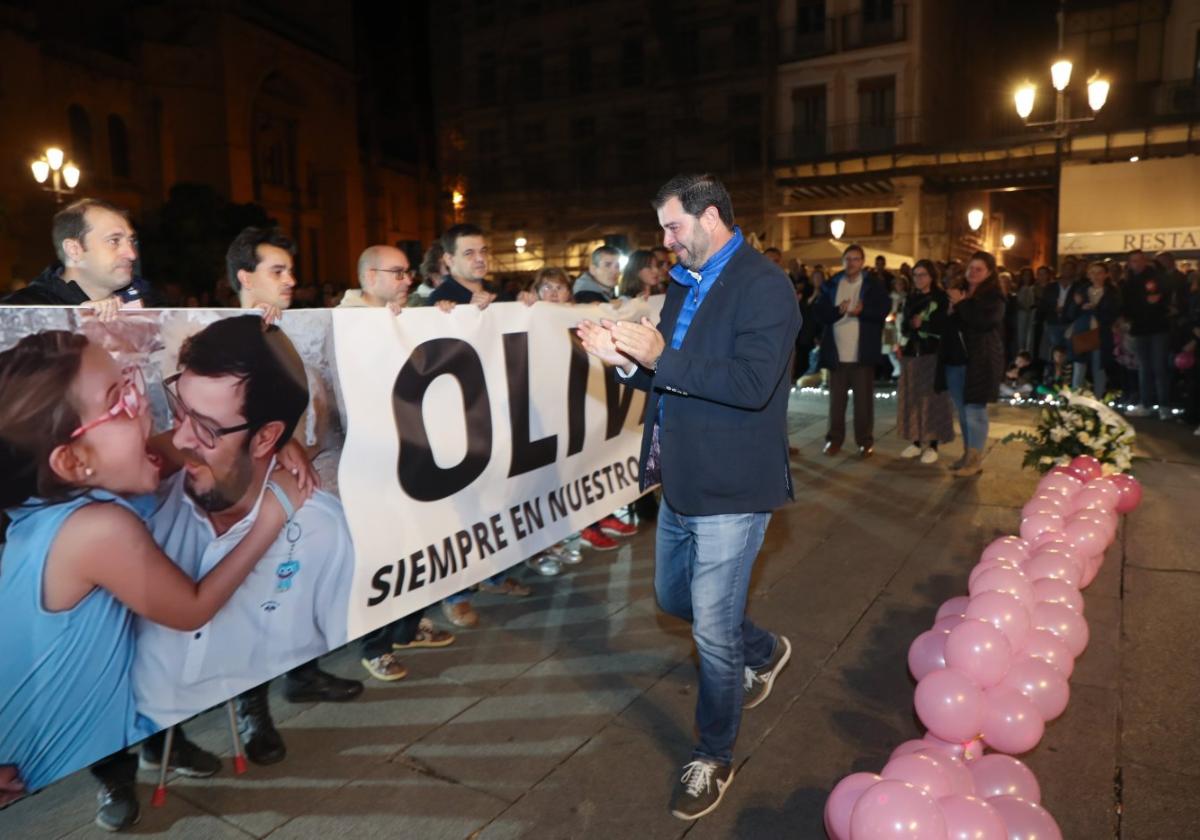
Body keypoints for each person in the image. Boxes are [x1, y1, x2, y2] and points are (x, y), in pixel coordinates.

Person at [0, 331, 304, 825]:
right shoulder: (96, 529)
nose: (145, 410)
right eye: (118, 401)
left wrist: (264, 439)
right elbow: (193, 608)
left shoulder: (57, 497)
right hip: (41, 762)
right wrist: (274, 514)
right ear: (74, 461)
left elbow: (170, 450)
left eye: (131, 384)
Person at [576, 173, 798, 820]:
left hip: (733, 481)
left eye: (674, 227)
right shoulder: (683, 285)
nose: (667, 242)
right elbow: (667, 379)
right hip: (680, 475)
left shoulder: (763, 285)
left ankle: (713, 754)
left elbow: (754, 383)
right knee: (675, 600)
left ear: (710, 217)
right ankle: (766, 650)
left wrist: (659, 357)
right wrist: (622, 361)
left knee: (711, 629)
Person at [223, 229, 364, 761]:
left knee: (301, 577)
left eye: (289, 270)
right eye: (276, 271)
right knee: (254, 596)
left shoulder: (287, 330)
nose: (291, 280)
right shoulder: (219, 333)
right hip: (245, 489)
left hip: (294, 479)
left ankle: (303, 671)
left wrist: (297, 444)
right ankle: (251, 711)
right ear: (245, 277)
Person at [338, 246, 456, 680]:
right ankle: (377, 644)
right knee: (383, 547)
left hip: (410, 450)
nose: (408, 280)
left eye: (409, 273)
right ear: (370, 277)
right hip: (372, 459)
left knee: (416, 536)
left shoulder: (406, 317)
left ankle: (407, 623)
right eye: (398, 273)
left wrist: (445, 314)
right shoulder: (347, 322)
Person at [1, 198, 156, 313]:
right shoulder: (21, 313)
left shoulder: (149, 303)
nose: (131, 254)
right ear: (74, 249)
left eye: (131, 241)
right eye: (114, 241)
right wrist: (71, 327)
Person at [814, 244, 890, 457]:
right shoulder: (832, 284)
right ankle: (834, 440)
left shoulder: (873, 285)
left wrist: (863, 311)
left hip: (862, 353)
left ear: (862, 262)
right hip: (836, 352)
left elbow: (884, 310)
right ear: (843, 261)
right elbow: (819, 313)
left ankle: (865, 442)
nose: (851, 263)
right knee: (836, 404)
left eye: (856, 259)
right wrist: (837, 312)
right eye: (848, 259)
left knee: (863, 403)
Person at [942, 251, 1006, 477]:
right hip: (958, 359)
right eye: (971, 268)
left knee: (975, 410)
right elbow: (953, 324)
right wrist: (951, 310)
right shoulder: (961, 292)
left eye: (979, 269)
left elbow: (983, 322)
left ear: (989, 273)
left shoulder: (994, 297)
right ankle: (967, 453)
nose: (973, 272)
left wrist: (961, 304)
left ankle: (975, 459)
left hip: (981, 359)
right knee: (962, 410)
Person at [896, 259, 955, 464]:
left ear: (931, 276)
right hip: (913, 352)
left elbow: (944, 326)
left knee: (932, 400)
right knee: (912, 399)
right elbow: (904, 326)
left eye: (923, 274)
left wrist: (925, 323)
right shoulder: (911, 298)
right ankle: (915, 441)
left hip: (933, 353)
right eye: (916, 275)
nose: (919, 279)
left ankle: (932, 444)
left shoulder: (941, 297)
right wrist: (911, 327)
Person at [1123, 248, 1176, 418]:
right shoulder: (1129, 281)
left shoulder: (1156, 277)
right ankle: (1146, 404)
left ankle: (1164, 406)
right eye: (1133, 261)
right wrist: (1127, 319)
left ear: (1145, 260)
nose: (1136, 264)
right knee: (1144, 368)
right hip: (1139, 329)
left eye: (1139, 260)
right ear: (1130, 263)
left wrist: (1158, 301)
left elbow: (1165, 296)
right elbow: (1126, 304)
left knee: (1159, 367)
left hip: (1158, 328)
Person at [1064, 261, 1120, 398]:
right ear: (1088, 275)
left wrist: (1096, 309)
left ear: (1106, 275)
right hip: (1083, 332)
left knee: (1098, 367)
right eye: (1093, 273)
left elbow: (1114, 313)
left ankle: (1099, 398)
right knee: (1079, 367)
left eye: (1099, 273)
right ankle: (1076, 399)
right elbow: (1069, 313)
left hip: (1101, 333)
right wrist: (1078, 306)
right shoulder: (1081, 290)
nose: (1096, 276)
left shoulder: (1112, 292)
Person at [428, 224, 497, 309]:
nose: (480, 259)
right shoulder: (440, 303)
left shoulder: (499, 293)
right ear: (449, 259)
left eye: (483, 251)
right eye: (469, 253)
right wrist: (469, 311)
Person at [1037, 260, 1077, 382]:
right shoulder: (1052, 287)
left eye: (1070, 268)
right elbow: (1043, 304)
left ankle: (1067, 380)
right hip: (1054, 322)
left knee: (1069, 352)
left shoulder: (1078, 287)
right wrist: (1053, 309)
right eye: (1065, 268)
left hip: (1069, 323)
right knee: (1054, 352)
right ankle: (1053, 379)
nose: (1067, 271)